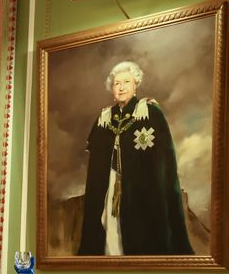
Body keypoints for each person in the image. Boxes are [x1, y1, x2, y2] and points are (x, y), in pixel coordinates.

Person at [77, 60, 193, 256]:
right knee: (110, 225)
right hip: (111, 186)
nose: (121, 88)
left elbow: (163, 161)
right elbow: (97, 164)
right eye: (116, 83)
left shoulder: (149, 112)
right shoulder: (104, 118)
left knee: (137, 228)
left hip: (141, 189)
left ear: (135, 84)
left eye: (126, 82)